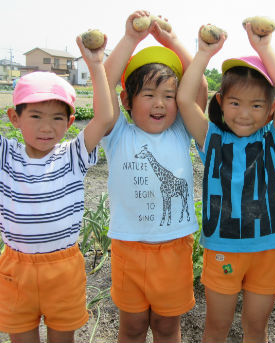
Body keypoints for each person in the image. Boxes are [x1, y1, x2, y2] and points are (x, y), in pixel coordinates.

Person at [0, 25, 113, 343]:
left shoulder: (73, 155)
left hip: (63, 267)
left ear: (69, 123)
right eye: (36, 116)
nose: (46, 127)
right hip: (17, 268)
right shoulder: (2, 153)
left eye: (56, 118)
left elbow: (104, 118)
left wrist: (95, 64)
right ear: (14, 118)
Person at [176, 22, 275, 342]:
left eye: (257, 105)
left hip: (267, 250)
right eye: (235, 103)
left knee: (256, 327)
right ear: (220, 102)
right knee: (216, 327)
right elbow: (186, 101)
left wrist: (264, 47)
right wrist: (204, 53)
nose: (245, 113)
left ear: (271, 110)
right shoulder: (211, 139)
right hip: (223, 249)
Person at [99, 10, 207, 343]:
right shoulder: (117, 134)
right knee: (131, 328)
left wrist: (170, 40)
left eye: (169, 96)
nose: (160, 104)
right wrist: (131, 38)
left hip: (174, 248)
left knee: (166, 326)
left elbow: (199, 86)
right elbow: (103, 83)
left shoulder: (179, 132)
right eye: (149, 95)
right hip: (128, 250)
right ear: (127, 101)